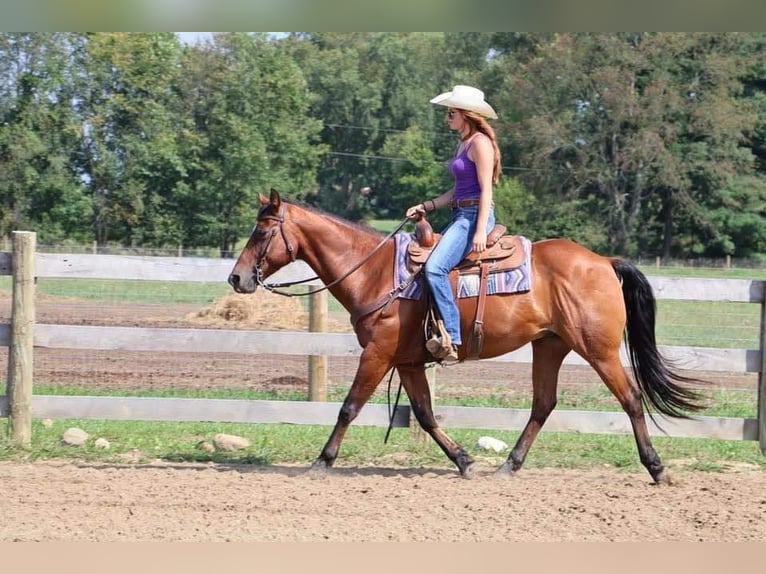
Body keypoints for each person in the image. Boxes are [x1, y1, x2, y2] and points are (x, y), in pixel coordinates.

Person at [405, 85, 501, 362]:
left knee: (435, 268)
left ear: (466, 115)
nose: (446, 118)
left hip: (472, 218)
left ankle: (453, 337)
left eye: (450, 113)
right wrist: (426, 206)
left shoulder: (480, 143)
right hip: (460, 214)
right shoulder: (463, 143)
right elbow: (457, 192)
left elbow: (486, 191)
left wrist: (481, 229)